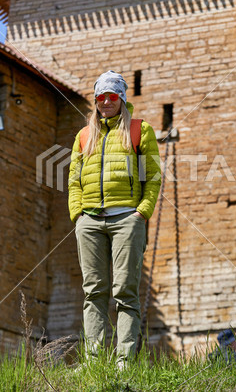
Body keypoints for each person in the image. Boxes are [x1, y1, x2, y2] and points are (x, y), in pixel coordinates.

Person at [68, 70, 161, 365]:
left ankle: (124, 362)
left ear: (121, 98)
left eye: (112, 96)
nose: (106, 101)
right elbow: (73, 179)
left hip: (127, 220)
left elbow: (154, 177)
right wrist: (78, 214)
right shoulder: (84, 136)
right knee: (93, 292)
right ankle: (94, 363)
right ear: (95, 101)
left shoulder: (139, 130)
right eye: (101, 97)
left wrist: (141, 213)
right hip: (90, 222)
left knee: (125, 291)